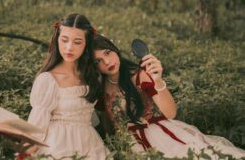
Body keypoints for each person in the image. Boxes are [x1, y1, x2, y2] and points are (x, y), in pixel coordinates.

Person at [92, 34, 245, 159]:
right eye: (98, 61)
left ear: (115, 50)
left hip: (158, 137)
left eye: (107, 53)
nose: (107, 61)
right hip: (127, 146)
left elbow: (170, 113)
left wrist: (157, 80)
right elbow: (107, 121)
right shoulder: (101, 86)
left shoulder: (139, 75)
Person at [26, 14, 109, 160]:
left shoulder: (92, 76)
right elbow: (36, 126)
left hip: (90, 144)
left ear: (86, 45)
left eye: (77, 42)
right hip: (58, 144)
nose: (69, 47)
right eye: (64, 40)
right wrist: (25, 153)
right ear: (57, 39)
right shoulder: (48, 79)